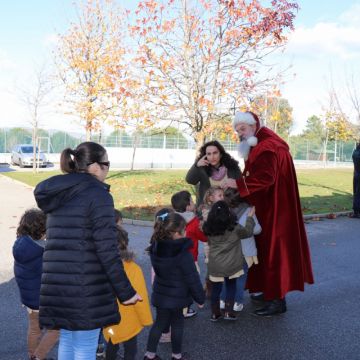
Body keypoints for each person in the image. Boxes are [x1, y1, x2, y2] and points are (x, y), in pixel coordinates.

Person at [33, 142, 141, 360]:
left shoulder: (59, 193)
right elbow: (107, 249)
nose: (107, 170)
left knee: (68, 340)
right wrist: (126, 292)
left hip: (58, 285)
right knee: (84, 345)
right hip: (85, 287)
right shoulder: (98, 195)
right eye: (106, 164)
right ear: (94, 166)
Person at [224, 111, 314, 316]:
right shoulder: (263, 143)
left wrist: (238, 184)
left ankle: (277, 301)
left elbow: (266, 178)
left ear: (254, 126)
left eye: (243, 129)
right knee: (266, 250)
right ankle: (268, 292)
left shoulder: (267, 146)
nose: (240, 134)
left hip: (275, 209)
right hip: (270, 206)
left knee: (273, 252)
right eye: (238, 130)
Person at [144, 212, 205, 360]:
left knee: (158, 323)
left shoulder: (156, 248)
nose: (186, 232)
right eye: (184, 230)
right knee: (178, 324)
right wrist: (200, 299)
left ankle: (149, 355)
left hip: (161, 294)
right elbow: (192, 279)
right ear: (177, 233)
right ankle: (176, 356)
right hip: (178, 297)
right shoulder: (184, 254)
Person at [13, 208, 59, 360]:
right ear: (41, 231)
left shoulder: (21, 244)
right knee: (55, 330)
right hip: (42, 301)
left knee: (34, 330)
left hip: (29, 301)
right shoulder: (41, 252)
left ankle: (32, 355)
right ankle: (38, 357)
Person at [103, 225, 153, 360]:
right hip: (129, 320)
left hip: (108, 321)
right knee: (130, 348)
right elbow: (139, 298)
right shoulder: (133, 269)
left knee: (112, 345)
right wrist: (146, 319)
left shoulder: (99, 267)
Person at [203, 200, 255, 321]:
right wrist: (250, 218)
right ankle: (228, 312)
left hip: (215, 265)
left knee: (216, 289)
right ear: (229, 214)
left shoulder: (208, 228)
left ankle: (215, 313)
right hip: (232, 265)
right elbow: (248, 232)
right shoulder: (235, 228)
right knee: (231, 287)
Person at [220, 188, 262, 312]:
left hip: (227, 252)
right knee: (240, 278)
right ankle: (237, 302)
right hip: (244, 252)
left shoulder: (222, 211)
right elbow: (257, 230)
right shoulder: (249, 211)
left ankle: (222, 301)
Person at [171, 190, 207, 318]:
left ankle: (177, 306)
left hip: (174, 257)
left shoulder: (173, 219)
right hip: (191, 258)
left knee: (179, 282)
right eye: (191, 201)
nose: (193, 202)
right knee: (190, 283)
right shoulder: (194, 222)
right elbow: (204, 238)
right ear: (187, 206)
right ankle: (184, 310)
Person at [185, 140, 241, 206]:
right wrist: (196, 165)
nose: (212, 157)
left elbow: (241, 185)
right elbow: (190, 180)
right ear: (205, 156)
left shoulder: (232, 167)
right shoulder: (202, 168)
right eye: (209, 154)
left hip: (230, 207)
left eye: (215, 153)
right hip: (207, 209)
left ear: (220, 154)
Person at [352, 142, 360, 218]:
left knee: (356, 193)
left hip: (356, 174)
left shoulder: (355, 152)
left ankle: (356, 211)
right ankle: (357, 212)